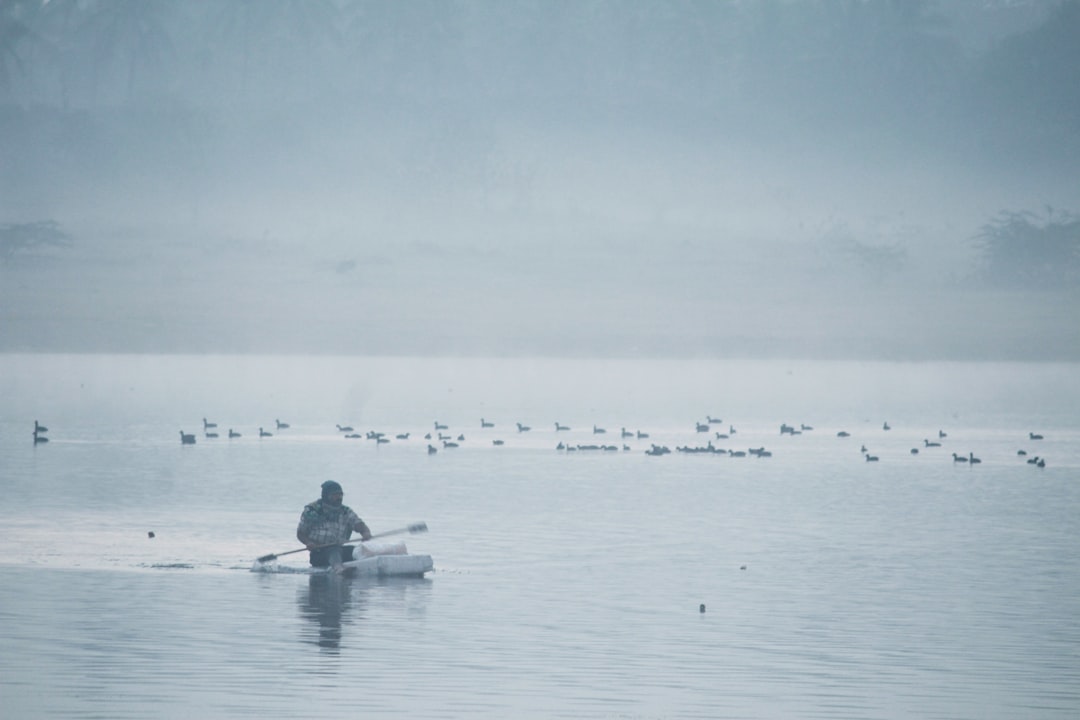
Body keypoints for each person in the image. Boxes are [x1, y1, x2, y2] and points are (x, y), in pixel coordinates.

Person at [296, 480, 372, 569]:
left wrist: (366, 533)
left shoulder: (345, 511)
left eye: (340, 494)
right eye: (335, 495)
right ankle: (339, 569)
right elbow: (300, 533)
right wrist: (309, 543)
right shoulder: (312, 511)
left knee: (359, 551)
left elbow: (360, 526)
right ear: (326, 496)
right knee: (333, 550)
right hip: (319, 554)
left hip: (340, 550)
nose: (339, 497)